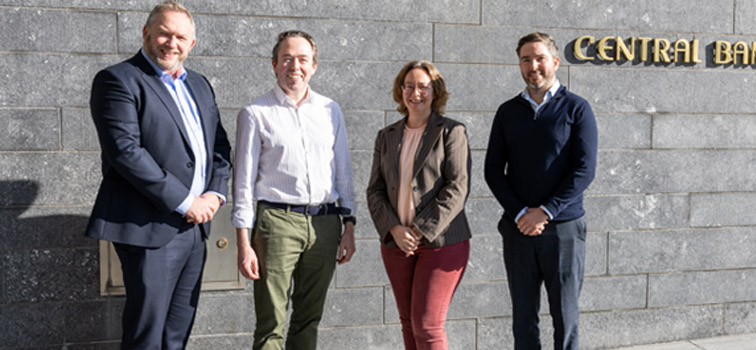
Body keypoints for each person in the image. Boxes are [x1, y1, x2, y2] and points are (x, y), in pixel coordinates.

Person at [85, 1, 232, 349]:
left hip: (195, 230)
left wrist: (214, 194)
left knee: (177, 333)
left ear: (191, 44)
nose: (172, 42)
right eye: (164, 33)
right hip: (149, 227)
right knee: (146, 334)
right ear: (146, 33)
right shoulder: (118, 80)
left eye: (181, 36)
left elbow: (220, 148)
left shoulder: (199, 85)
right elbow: (126, 152)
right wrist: (186, 202)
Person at [232, 30, 357, 350]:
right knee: (271, 323)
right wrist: (244, 244)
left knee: (308, 319)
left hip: (326, 224)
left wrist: (349, 226)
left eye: (303, 59)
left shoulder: (331, 110)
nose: (294, 66)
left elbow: (342, 172)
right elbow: (243, 184)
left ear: (314, 66)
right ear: (274, 64)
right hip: (276, 222)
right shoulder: (255, 113)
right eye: (287, 58)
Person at [484, 32, 598, 349]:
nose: (533, 65)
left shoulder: (577, 109)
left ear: (555, 62)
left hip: (563, 230)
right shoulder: (508, 112)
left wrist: (545, 211)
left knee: (566, 318)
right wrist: (522, 213)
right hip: (518, 229)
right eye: (525, 59)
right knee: (523, 318)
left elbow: (584, 169)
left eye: (540, 58)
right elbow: (493, 170)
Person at [366, 60, 471, 350]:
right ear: (401, 92)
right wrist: (394, 229)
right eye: (409, 86)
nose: (416, 93)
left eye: (423, 86)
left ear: (435, 91)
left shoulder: (452, 131)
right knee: (409, 323)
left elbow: (458, 187)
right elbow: (375, 190)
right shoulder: (386, 136)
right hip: (397, 244)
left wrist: (420, 231)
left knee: (427, 325)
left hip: (441, 243)